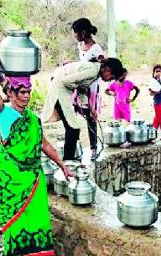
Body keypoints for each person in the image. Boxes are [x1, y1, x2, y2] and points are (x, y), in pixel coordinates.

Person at [0, 43, 74, 256]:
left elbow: (44, 144)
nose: (25, 95)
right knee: (15, 230)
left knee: (32, 226)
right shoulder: (4, 115)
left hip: (32, 182)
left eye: (28, 91)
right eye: (20, 91)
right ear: (11, 92)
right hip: (12, 183)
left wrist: (62, 165)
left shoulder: (33, 120)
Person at [42, 58, 123, 160]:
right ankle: (68, 161)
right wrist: (77, 86)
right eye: (111, 77)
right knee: (73, 128)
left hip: (62, 91)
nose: (109, 80)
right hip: (60, 91)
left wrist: (90, 108)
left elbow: (81, 91)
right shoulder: (92, 70)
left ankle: (69, 159)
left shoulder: (95, 72)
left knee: (73, 128)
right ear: (107, 70)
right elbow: (66, 81)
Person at [72, 17, 105, 160]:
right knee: (76, 113)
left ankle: (93, 147)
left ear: (83, 32)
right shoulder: (80, 46)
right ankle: (76, 145)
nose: (75, 35)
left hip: (91, 87)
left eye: (76, 32)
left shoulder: (96, 49)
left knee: (91, 118)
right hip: (80, 85)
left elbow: (103, 66)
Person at [148, 64, 161, 131]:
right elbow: (151, 93)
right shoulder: (152, 82)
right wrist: (159, 91)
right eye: (156, 71)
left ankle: (153, 130)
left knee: (157, 117)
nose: (158, 73)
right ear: (154, 72)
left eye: (159, 71)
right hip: (157, 102)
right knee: (160, 117)